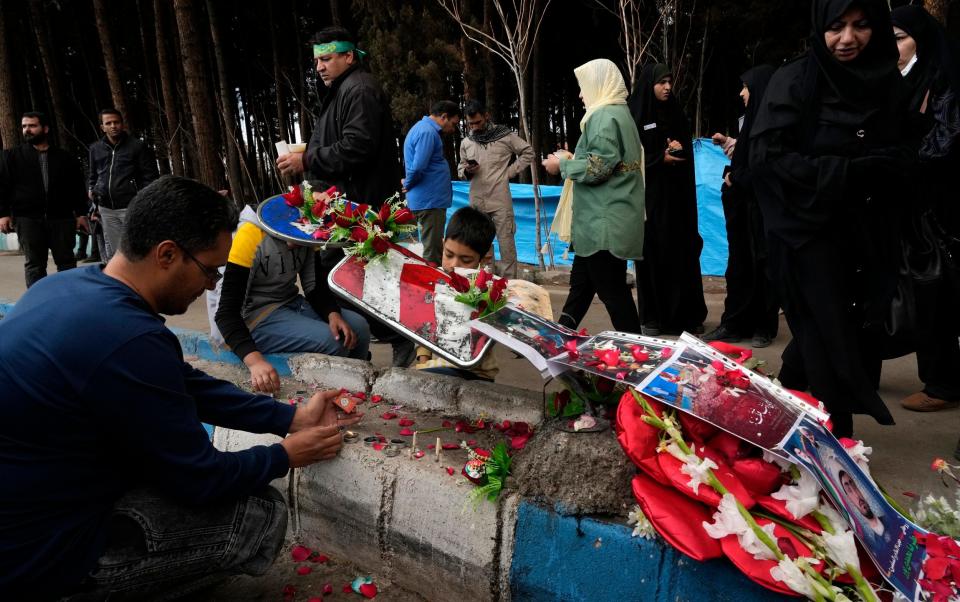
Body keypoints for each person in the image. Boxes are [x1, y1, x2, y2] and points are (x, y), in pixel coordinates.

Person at [0, 176, 362, 600]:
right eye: (210, 271)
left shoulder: (66, 286)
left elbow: (181, 383)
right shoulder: (128, 337)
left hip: (26, 511)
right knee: (258, 514)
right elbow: (200, 479)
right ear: (167, 254)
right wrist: (285, 454)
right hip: (34, 559)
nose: (210, 286)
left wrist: (290, 418)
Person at [749, 0, 911, 437]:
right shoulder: (796, 80)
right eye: (836, 26)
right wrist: (846, 170)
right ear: (819, 26)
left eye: (861, 26)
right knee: (826, 334)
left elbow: (902, 148)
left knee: (839, 332)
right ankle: (835, 441)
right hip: (804, 233)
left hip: (864, 233)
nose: (847, 39)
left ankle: (777, 411)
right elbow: (768, 159)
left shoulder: (886, 80)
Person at [276, 26, 414, 367]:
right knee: (342, 278)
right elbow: (343, 141)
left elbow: (358, 147)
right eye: (317, 61)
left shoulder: (360, 89)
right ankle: (364, 349)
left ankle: (398, 339)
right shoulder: (344, 90)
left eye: (326, 59)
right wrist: (311, 152)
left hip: (359, 208)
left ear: (348, 56)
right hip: (343, 204)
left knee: (340, 279)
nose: (320, 67)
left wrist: (307, 159)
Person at [215, 205, 370, 394]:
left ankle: (358, 391)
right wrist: (255, 362)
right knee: (334, 341)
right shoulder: (250, 235)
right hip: (254, 317)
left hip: (289, 303)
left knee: (359, 327)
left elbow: (314, 286)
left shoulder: (309, 234)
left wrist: (333, 314)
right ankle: (335, 395)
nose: (298, 243)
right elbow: (226, 313)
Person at [889, 5, 960, 414]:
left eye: (899, 37)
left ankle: (943, 382)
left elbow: (946, 137)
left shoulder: (941, 76)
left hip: (941, 209)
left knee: (938, 292)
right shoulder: (900, 79)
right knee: (925, 293)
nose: (891, 46)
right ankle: (940, 376)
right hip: (914, 205)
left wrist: (903, 160)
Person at [543, 58, 645, 334]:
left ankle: (637, 352)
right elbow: (610, 161)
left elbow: (598, 167)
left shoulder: (603, 117)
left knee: (613, 292)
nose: (580, 94)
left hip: (604, 222)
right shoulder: (619, 113)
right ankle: (561, 334)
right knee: (582, 285)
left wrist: (561, 165)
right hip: (603, 221)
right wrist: (573, 158)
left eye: (583, 87)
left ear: (599, 84)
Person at [703, 66, 780, 349]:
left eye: (746, 87)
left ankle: (763, 326)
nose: (741, 93)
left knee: (763, 266)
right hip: (742, 210)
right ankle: (734, 323)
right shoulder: (751, 121)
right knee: (739, 267)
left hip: (761, 210)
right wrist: (732, 148)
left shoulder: (770, 124)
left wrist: (736, 176)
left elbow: (768, 167)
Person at [629, 64, 708, 336]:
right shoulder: (636, 114)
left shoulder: (675, 111)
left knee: (681, 253)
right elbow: (630, 158)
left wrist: (678, 149)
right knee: (653, 253)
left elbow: (686, 149)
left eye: (669, 81)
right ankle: (654, 318)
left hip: (677, 200)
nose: (667, 87)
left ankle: (686, 317)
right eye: (661, 82)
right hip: (650, 201)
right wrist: (657, 157)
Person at [0, 111, 88, 287]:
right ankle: (37, 304)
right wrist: (3, 214)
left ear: (45, 129)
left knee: (67, 263)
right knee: (34, 265)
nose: (27, 130)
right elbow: (3, 187)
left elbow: (77, 187)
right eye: (24, 126)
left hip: (61, 218)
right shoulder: (11, 156)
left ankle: (70, 301)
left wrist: (81, 214)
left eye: (32, 126)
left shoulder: (65, 157)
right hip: (28, 219)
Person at [416, 206, 500, 380]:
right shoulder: (434, 281)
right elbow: (422, 325)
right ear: (442, 243)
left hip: (475, 373)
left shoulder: (490, 290)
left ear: (485, 258)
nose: (454, 264)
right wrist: (423, 363)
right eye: (449, 254)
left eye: (466, 260)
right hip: (436, 366)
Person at [458, 100, 535, 278]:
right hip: (476, 199)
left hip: (500, 198)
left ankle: (509, 285)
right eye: (471, 124)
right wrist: (466, 170)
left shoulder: (504, 136)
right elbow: (460, 167)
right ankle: (483, 281)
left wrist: (509, 172)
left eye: (478, 122)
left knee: (506, 242)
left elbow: (528, 152)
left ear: (486, 116)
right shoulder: (466, 142)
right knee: (478, 241)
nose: (475, 127)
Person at [87, 108, 160, 260]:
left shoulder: (137, 146)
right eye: (109, 123)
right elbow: (93, 174)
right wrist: (92, 189)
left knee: (137, 248)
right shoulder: (95, 148)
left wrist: (141, 200)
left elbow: (150, 176)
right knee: (116, 253)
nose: (113, 126)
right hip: (106, 208)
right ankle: (121, 282)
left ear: (122, 124)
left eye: (116, 122)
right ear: (102, 127)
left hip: (131, 207)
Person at [403, 100, 460, 265]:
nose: (453, 129)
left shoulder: (422, 129)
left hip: (428, 200)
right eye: (454, 123)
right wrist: (408, 184)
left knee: (430, 248)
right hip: (429, 202)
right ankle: (430, 287)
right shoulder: (428, 132)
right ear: (444, 117)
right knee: (432, 253)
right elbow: (418, 166)